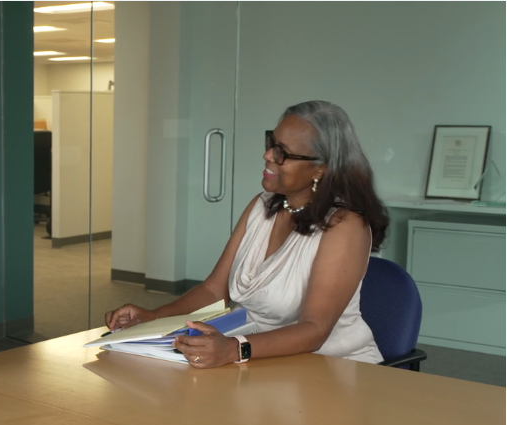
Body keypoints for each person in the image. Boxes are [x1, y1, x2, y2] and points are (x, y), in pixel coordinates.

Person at [105, 101, 388, 369]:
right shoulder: (261, 205)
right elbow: (214, 290)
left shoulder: (345, 225)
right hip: (260, 359)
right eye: (270, 143)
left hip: (331, 367)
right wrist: (154, 315)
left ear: (320, 168)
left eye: (282, 152)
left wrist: (234, 349)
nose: (267, 155)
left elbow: (315, 330)